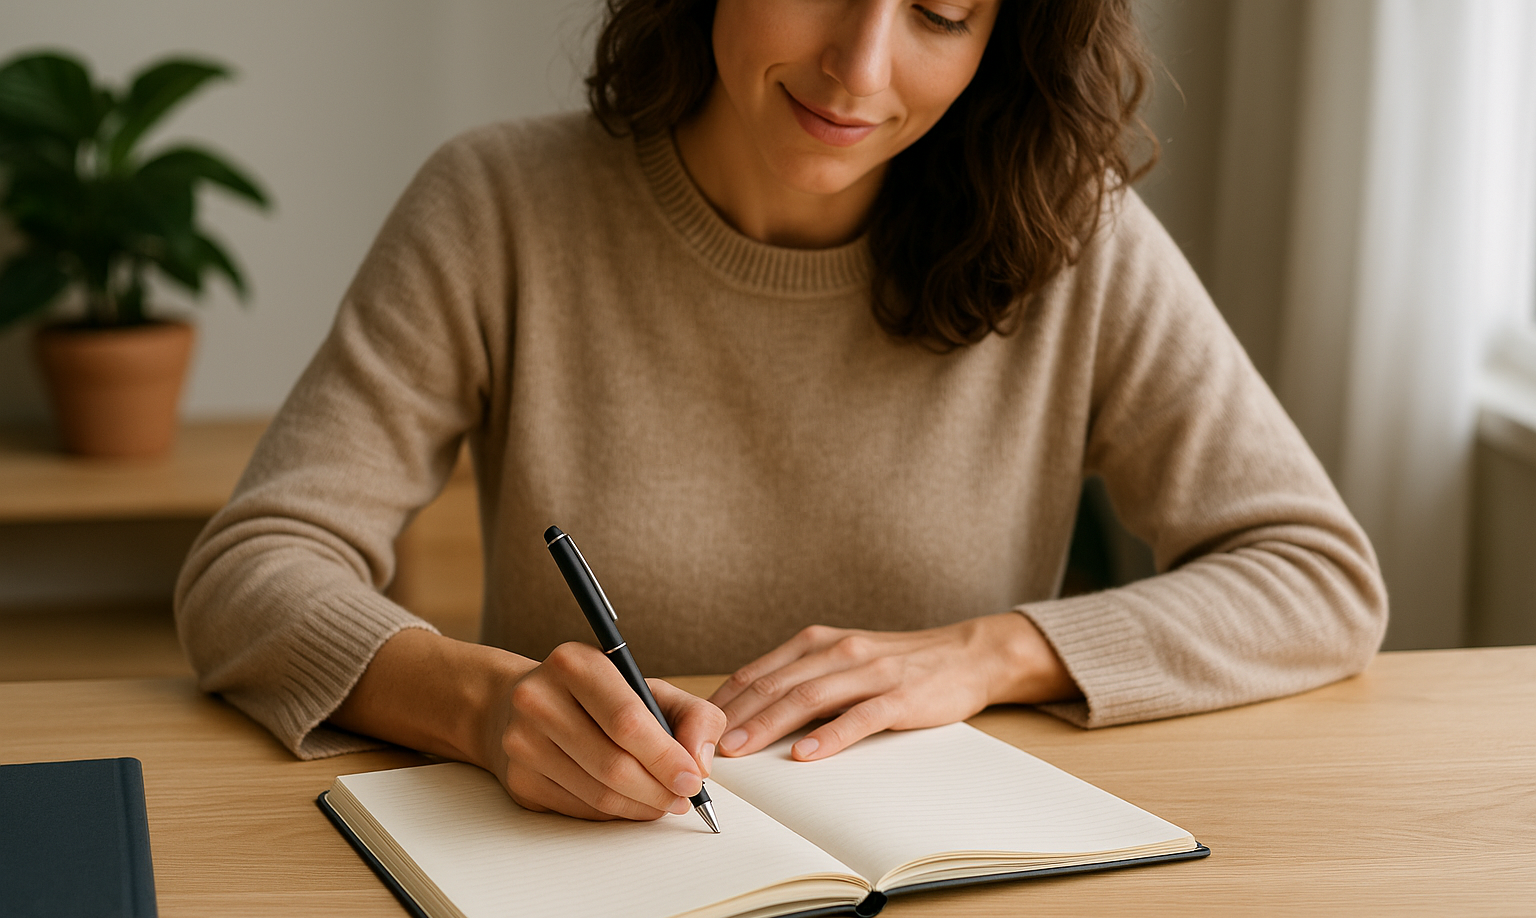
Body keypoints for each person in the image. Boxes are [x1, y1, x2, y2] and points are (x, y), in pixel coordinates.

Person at [176, 0, 1387, 825]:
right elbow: (252, 568)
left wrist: (987, 653)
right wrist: (480, 704)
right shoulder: (498, 208)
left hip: (954, 916)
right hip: (592, 897)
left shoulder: (1071, 236)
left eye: (940, 15)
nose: (861, 70)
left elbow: (1317, 574)